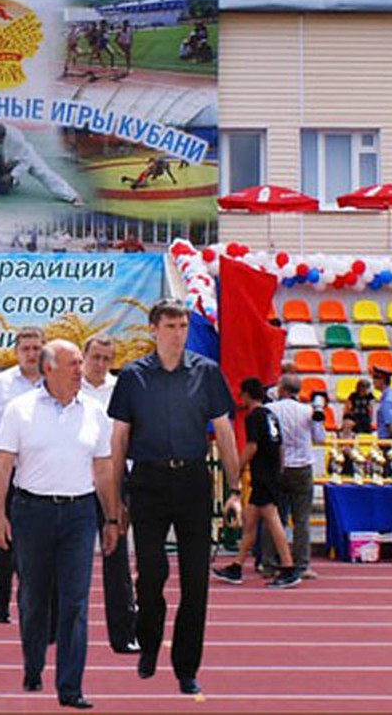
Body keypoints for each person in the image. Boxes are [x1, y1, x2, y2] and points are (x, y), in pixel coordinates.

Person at [108, 298, 242, 697]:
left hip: (192, 483)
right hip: (147, 483)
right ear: (153, 329)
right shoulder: (133, 376)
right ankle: (148, 643)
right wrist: (116, 502)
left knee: (195, 582)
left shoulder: (207, 372)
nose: (178, 333)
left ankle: (187, 667)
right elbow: (119, 440)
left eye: (182, 325)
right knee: (151, 575)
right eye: (170, 326)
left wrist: (234, 491)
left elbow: (225, 432)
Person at [0, 339, 119, 709]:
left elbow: (104, 469)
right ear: (48, 369)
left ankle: (70, 687)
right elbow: (3, 466)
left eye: (81, 362)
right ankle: (33, 664)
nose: (81, 369)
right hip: (32, 512)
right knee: (33, 597)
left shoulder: (94, 412)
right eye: (73, 363)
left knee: (75, 602)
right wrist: (0, 515)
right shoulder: (20, 409)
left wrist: (110, 518)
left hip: (79, 513)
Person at [0, 326, 45, 624]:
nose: (31, 354)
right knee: (6, 542)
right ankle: (1, 606)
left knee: (40, 545)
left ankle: (33, 604)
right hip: (8, 471)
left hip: (43, 472)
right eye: (26, 348)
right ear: (16, 352)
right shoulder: (1, 384)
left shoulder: (54, 382)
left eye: (36, 348)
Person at [212, 378, 303, 589]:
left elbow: (252, 446)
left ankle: (288, 566)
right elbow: (279, 446)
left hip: (263, 474)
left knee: (272, 520)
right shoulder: (271, 415)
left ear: (247, 394)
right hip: (270, 472)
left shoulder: (254, 417)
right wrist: (278, 469)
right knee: (250, 522)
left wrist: (237, 466)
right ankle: (237, 565)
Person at [79, 334, 139, 654]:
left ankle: (124, 633)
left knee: (116, 560)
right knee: (66, 561)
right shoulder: (69, 388)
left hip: (113, 482)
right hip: (73, 480)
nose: (101, 364)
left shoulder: (122, 390)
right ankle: (55, 629)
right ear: (84, 356)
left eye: (107, 358)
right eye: (96, 357)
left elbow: (132, 438)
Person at [262, 373, 323, 580]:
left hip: (278, 467)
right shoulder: (308, 411)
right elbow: (320, 437)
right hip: (302, 466)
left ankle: (269, 563)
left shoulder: (270, 409)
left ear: (282, 389)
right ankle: (302, 564)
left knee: (274, 517)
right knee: (301, 519)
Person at [0, 122, 84, 207]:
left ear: (4, 137)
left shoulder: (17, 139)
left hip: (24, 156)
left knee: (43, 173)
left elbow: (25, 162)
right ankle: (12, 181)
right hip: (4, 158)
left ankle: (72, 196)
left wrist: (12, 175)